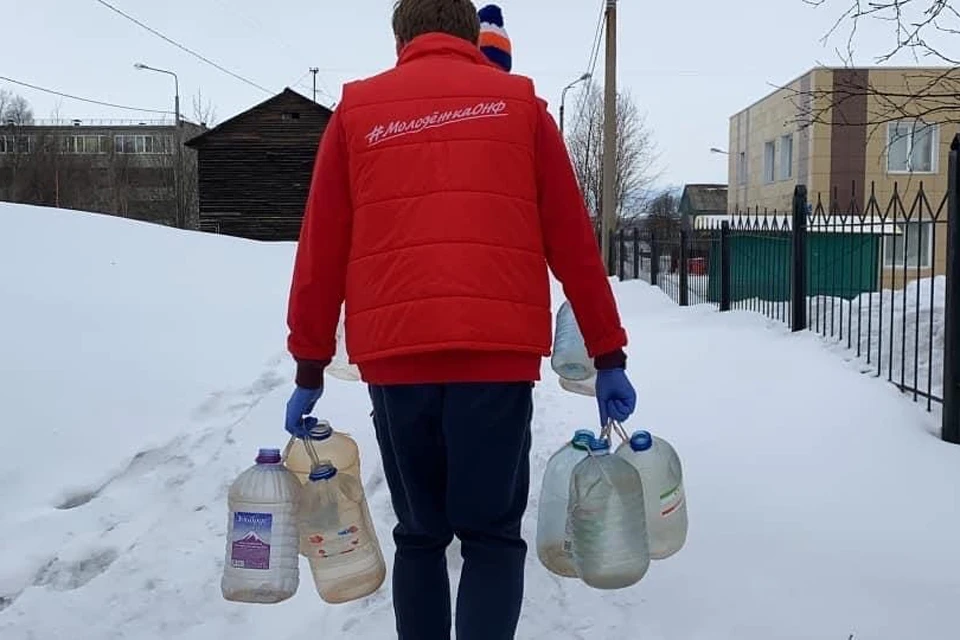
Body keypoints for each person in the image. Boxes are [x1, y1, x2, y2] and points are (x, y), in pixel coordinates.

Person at [284, 1, 637, 638]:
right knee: (492, 537)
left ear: (400, 37)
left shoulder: (356, 113)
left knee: (421, 536)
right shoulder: (521, 107)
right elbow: (574, 246)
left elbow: (320, 249)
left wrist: (310, 364)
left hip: (396, 364)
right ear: (472, 37)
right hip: (495, 363)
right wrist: (607, 355)